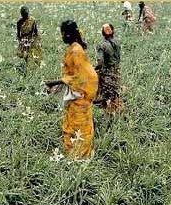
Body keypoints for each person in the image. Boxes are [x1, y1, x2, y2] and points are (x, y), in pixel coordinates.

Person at [46, 20, 98, 159]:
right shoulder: (75, 48)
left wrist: (57, 82)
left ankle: (78, 158)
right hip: (77, 94)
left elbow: (84, 75)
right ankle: (76, 157)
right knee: (76, 127)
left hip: (80, 96)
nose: (61, 36)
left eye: (62, 33)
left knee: (78, 128)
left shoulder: (75, 51)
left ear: (68, 34)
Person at [95, 24, 123, 117]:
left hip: (107, 72)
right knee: (115, 90)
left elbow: (100, 62)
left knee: (108, 94)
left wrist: (95, 69)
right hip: (116, 70)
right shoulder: (117, 43)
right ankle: (118, 110)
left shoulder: (102, 45)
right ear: (113, 31)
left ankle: (110, 114)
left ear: (103, 33)